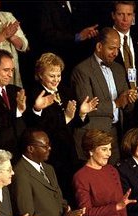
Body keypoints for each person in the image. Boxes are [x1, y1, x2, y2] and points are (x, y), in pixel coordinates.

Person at [27, 52, 98, 205]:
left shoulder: (65, 91)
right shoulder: (34, 93)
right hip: (50, 156)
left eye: (58, 75)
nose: (56, 79)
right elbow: (39, 129)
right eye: (52, 75)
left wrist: (82, 113)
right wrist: (65, 117)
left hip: (69, 151)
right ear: (40, 74)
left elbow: (75, 123)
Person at [11, 128, 87, 216]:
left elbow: (59, 199)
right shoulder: (20, 173)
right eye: (45, 146)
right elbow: (27, 215)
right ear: (31, 149)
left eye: (49, 145)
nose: (49, 148)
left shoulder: (48, 169)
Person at [71, 27, 138, 165]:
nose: (115, 53)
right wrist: (117, 103)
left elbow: (126, 107)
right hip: (92, 138)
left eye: (117, 48)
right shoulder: (82, 70)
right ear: (99, 46)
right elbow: (89, 106)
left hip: (115, 135)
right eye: (111, 48)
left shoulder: (119, 69)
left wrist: (130, 99)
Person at [73, 129, 136, 216]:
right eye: (104, 149)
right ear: (90, 151)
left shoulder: (112, 171)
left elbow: (122, 209)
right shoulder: (81, 176)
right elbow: (86, 212)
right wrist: (115, 207)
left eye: (110, 149)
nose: (109, 153)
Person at [111, 1, 138, 131]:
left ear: (134, 16)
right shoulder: (104, 39)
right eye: (121, 14)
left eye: (129, 14)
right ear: (113, 15)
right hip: (117, 108)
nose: (125, 19)